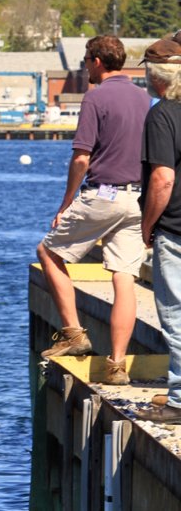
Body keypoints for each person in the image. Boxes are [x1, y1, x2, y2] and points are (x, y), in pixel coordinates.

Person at [36, 35, 150, 386]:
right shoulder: (146, 98)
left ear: (98, 61)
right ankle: (116, 366)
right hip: (138, 200)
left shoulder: (96, 97)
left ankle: (73, 333)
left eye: (86, 59)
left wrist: (67, 201)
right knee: (124, 278)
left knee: (49, 252)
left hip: (105, 194)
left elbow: (82, 156)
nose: (85, 66)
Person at [135, 38, 181, 422]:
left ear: (156, 76)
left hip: (176, 230)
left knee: (177, 317)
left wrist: (147, 225)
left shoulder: (162, 115)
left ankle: (180, 401)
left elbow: (162, 179)